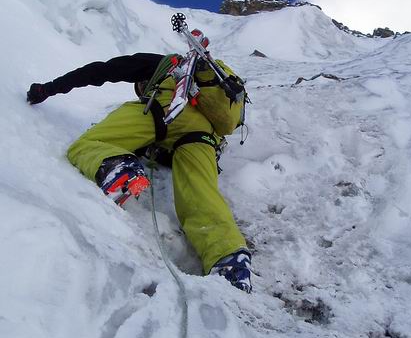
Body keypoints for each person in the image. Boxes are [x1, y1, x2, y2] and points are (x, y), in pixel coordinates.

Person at [27, 49, 252, 293]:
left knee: (89, 145)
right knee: (202, 195)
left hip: (159, 112)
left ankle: (117, 167)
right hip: (203, 135)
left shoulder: (161, 64)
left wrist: (49, 88)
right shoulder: (208, 92)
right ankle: (229, 257)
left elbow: (101, 71)